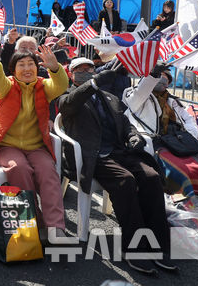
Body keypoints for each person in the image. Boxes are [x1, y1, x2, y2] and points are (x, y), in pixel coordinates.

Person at [58, 58, 177, 275]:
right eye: (80, 69)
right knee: (125, 181)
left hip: (119, 151)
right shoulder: (67, 97)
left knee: (151, 177)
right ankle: (134, 248)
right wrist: (93, 83)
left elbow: (126, 122)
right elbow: (69, 105)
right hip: (93, 155)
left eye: (89, 68)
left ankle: (157, 245)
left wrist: (132, 136)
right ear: (70, 73)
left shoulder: (111, 97)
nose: (86, 71)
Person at [0, 45, 68, 233]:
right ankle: (33, 220)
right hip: (7, 145)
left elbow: (61, 86)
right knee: (19, 168)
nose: (27, 68)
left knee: (48, 173)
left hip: (37, 147)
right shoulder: (8, 86)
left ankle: (55, 227)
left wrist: (55, 68)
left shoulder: (43, 86)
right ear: (13, 70)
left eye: (31, 64)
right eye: (21, 65)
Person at [124, 66, 198, 202]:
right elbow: (142, 91)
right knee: (184, 174)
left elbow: (188, 120)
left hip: (179, 142)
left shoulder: (172, 100)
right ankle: (185, 206)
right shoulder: (135, 95)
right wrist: (152, 75)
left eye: (166, 79)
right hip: (157, 143)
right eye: (159, 76)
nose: (162, 80)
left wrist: (188, 135)